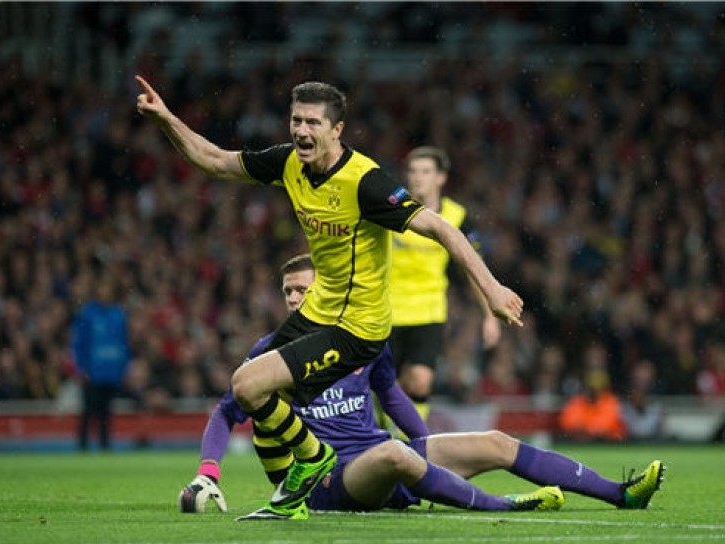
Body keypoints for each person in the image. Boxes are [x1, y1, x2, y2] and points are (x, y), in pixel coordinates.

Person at [136, 75, 525, 519]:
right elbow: (216, 161)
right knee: (247, 387)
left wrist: (492, 290)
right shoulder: (288, 163)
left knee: (253, 386)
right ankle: (310, 466)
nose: (301, 130)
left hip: (356, 326)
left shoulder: (366, 183)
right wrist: (167, 120)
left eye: (313, 123)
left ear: (336, 130)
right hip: (321, 312)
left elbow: (441, 227)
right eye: (296, 120)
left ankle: (320, 459)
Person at [180, 254, 565, 518]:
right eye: (287, 291)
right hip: (328, 480)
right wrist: (207, 472)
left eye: (302, 289)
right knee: (394, 453)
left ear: (328, 290)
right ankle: (502, 505)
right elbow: (227, 411)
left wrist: (424, 449)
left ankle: (619, 493)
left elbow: (394, 398)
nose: (294, 298)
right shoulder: (270, 352)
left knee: (494, 441)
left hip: (377, 462)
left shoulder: (362, 338)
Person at [388, 146, 501, 423]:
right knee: (385, 386)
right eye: (412, 171)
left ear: (441, 178)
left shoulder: (457, 216)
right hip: (385, 311)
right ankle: (381, 435)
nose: (417, 178)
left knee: (421, 381)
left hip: (428, 311)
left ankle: (413, 445)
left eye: (426, 171)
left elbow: (471, 267)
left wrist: (489, 314)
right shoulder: (391, 205)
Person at [71, 273, 131, 451]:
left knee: (106, 412)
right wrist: (81, 367)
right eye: (102, 289)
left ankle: (105, 444)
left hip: (111, 372)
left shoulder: (118, 314)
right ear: (97, 291)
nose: (105, 292)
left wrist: (123, 367)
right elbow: (79, 342)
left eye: (108, 289)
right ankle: (82, 445)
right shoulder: (88, 313)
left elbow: (123, 342)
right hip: (92, 371)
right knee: (88, 410)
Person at [558, 368, 627, 442]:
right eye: (591, 389)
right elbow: (566, 423)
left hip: (607, 444)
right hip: (579, 443)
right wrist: (583, 430)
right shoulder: (577, 401)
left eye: (597, 389)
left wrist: (588, 430)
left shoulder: (611, 401)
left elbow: (608, 425)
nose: (594, 393)